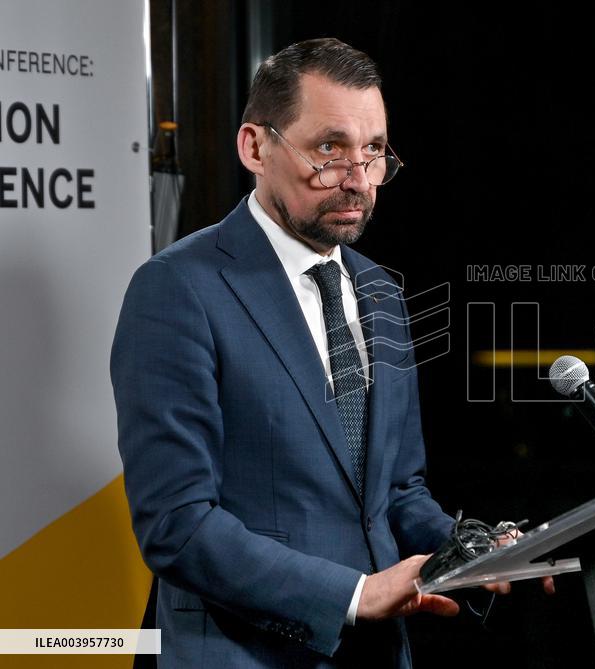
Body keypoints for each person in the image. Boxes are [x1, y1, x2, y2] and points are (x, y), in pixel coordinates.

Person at [112, 38, 468, 668]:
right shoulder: (177, 289)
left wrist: (473, 551)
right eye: (329, 148)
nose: (357, 179)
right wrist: (354, 595)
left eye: (374, 151)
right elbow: (178, 525)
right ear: (255, 147)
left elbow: (397, 491)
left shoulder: (381, 290)